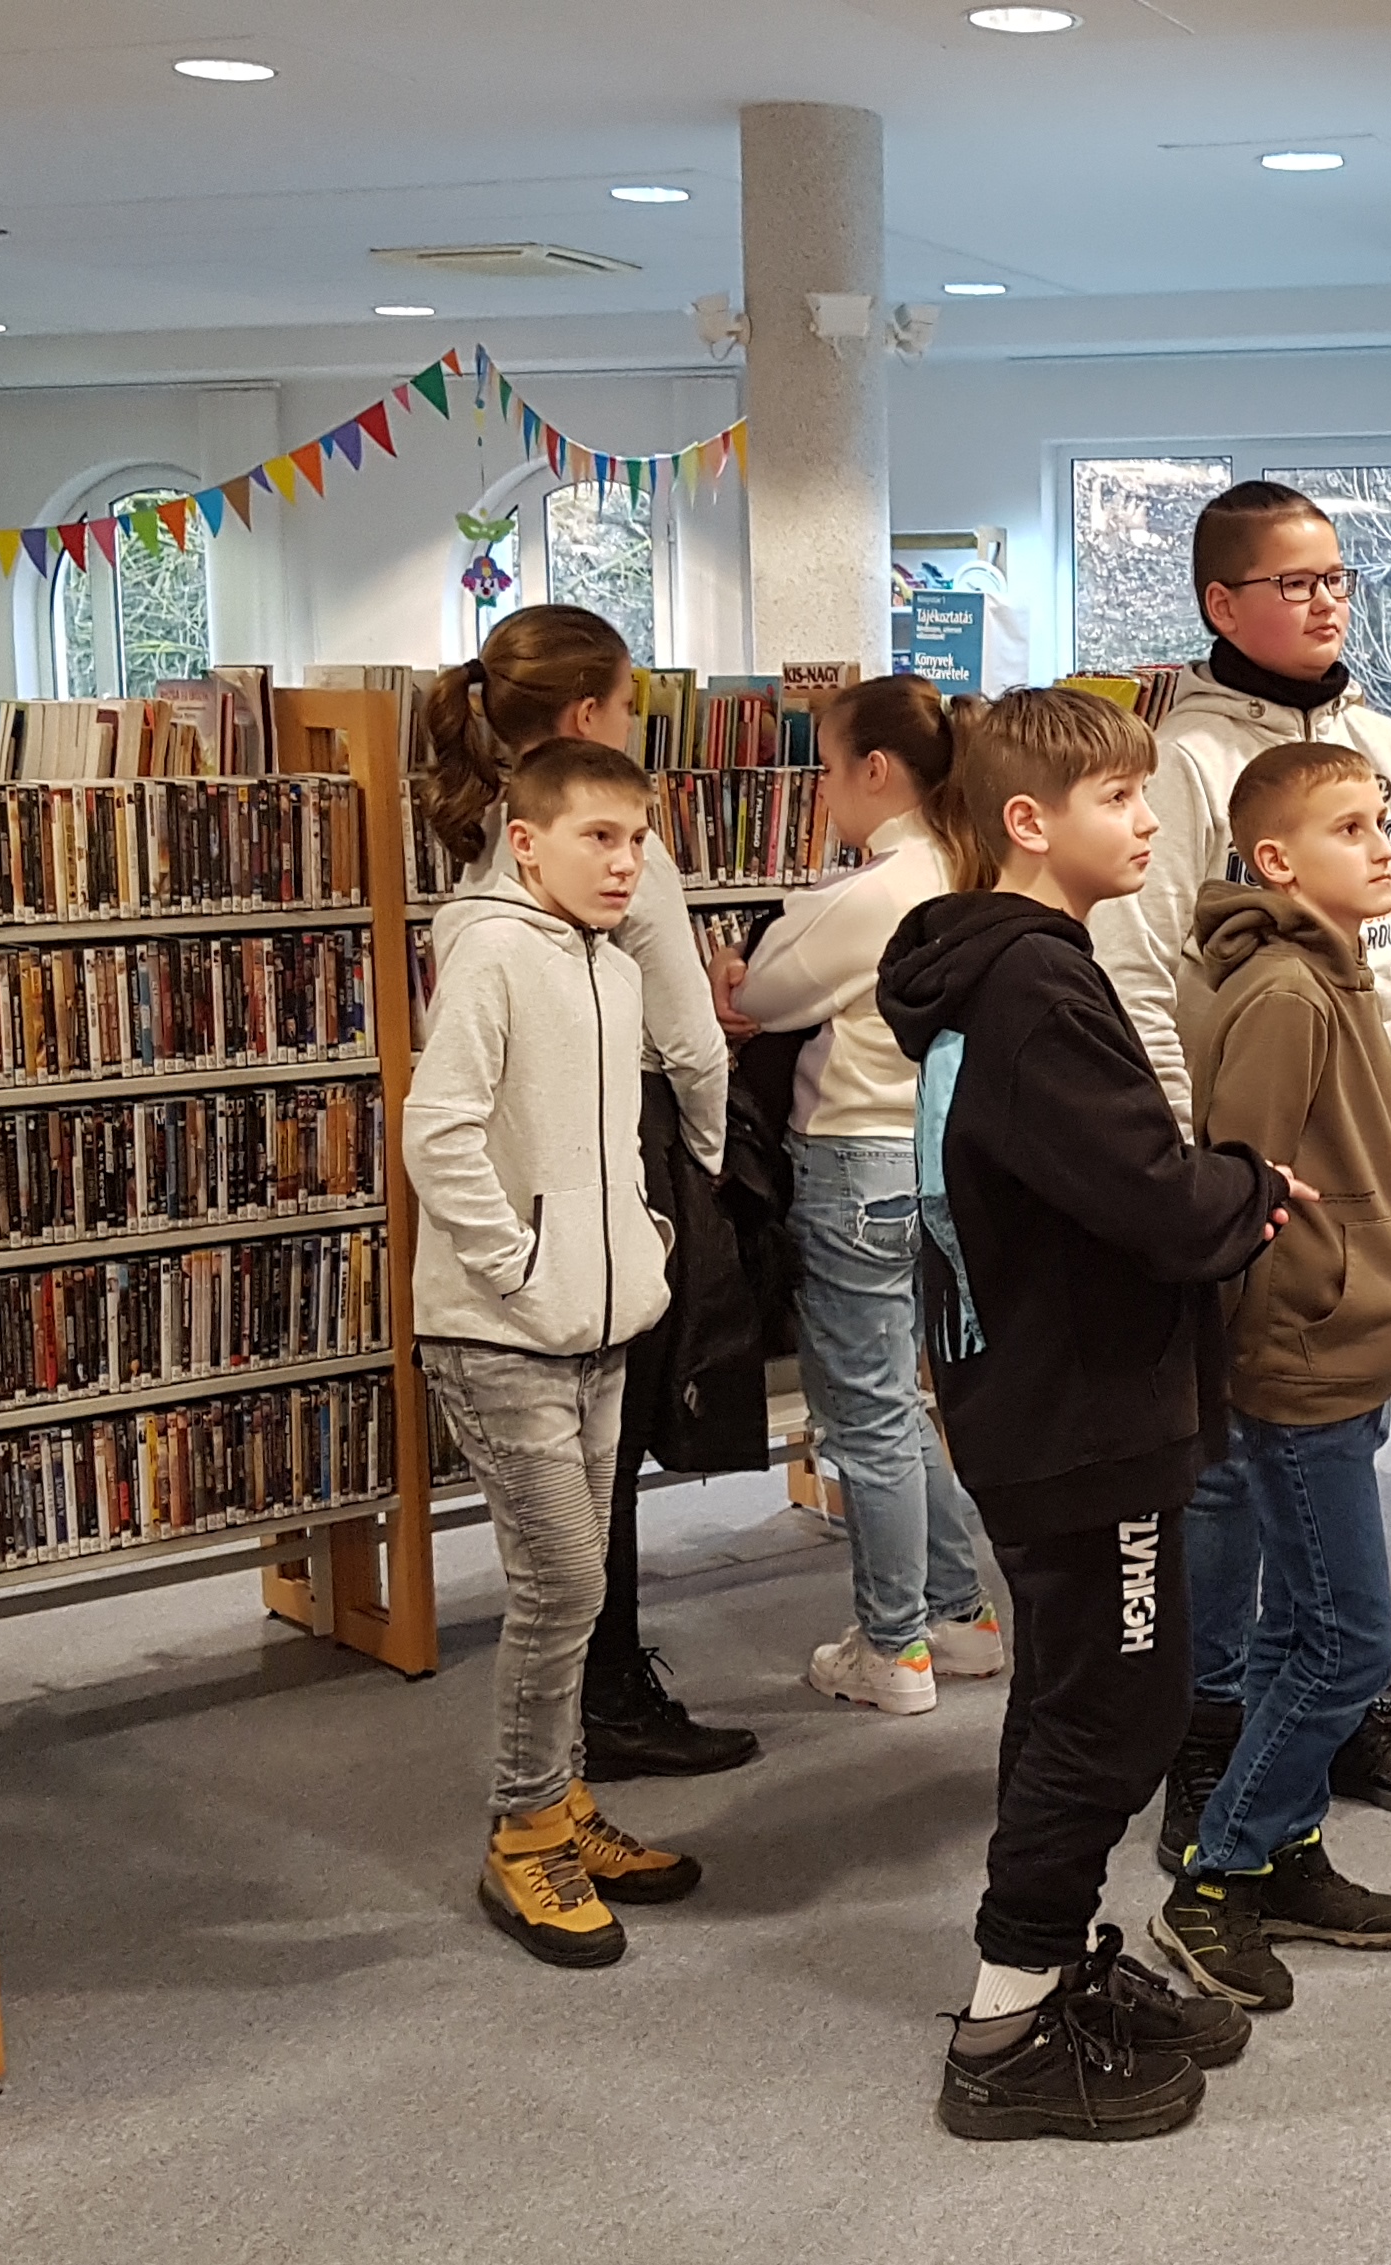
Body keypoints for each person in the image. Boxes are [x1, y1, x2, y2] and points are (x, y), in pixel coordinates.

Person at [1088, 485, 1391, 1866]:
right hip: (1249, 1182)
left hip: (1386, 1164)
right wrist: (1197, 1189)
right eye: (1294, 583)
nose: (1327, 601)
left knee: (1346, 1450)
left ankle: (1336, 1708)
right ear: (1222, 604)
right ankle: (1213, 1729)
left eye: (1339, 577)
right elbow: (1148, 977)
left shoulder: (1383, 745)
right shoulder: (1183, 762)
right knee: (1239, 1470)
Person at [875, 685, 1301, 2141]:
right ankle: (1007, 2029)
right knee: (1115, 1715)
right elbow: (1155, 1199)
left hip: (1057, 1398)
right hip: (1081, 1415)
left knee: (1081, 1695)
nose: (1148, 821)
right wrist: (1250, 1190)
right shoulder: (1033, 990)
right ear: (1026, 821)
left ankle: (1048, 1970)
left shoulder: (1017, 969)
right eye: (1118, 798)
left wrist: (1211, 1193)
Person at [417, 604, 754, 1782]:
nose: (624, 857)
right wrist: (704, 1167)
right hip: (572, 1220)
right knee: (581, 1530)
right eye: (628, 705)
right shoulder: (572, 893)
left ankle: (578, 1741)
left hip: (585, 1211)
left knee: (583, 1510)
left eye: (633, 840)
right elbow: (690, 1040)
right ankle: (584, 1739)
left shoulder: (523, 865)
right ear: (586, 715)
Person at [1153, 743, 1391, 2012]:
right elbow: (1240, 1191)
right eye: (1351, 829)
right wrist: (1301, 1305)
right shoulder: (1284, 989)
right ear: (1276, 861)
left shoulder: (1329, 966)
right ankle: (1218, 1875)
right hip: (1301, 1352)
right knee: (1348, 1643)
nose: (1384, 847)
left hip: (1343, 1336)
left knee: (1296, 1627)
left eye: (1383, 824)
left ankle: (1283, 1851)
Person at [406, 738, 712, 1968]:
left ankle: (563, 1800)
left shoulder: (612, 964)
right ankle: (523, 1833)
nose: (625, 861)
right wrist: (522, 1269)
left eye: (638, 839)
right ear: (526, 843)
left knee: (574, 1587)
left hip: (600, 1325)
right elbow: (439, 1133)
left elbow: (613, 1140)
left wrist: (639, 1245)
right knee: (565, 1584)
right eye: (598, 837)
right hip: (501, 1334)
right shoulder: (490, 953)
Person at [710, 676, 1007, 1717]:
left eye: (829, 769)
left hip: (852, 1164)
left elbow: (758, 993)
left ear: (877, 770)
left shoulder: (868, 894)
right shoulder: (978, 868)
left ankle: (894, 1647)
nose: (824, 791)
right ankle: (959, 1615)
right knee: (903, 1400)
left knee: (866, 1416)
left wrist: (733, 967)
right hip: (941, 1162)